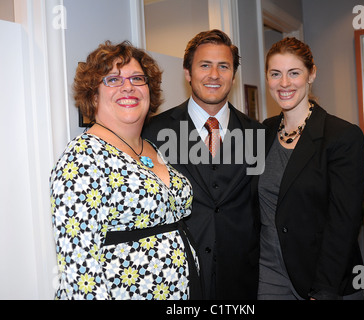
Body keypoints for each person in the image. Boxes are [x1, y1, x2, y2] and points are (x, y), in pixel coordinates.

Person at [50, 40, 201, 300]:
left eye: (137, 78)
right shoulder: (82, 157)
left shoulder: (151, 147)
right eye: (113, 80)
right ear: (93, 95)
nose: (128, 86)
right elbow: (79, 271)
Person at [143, 29, 265, 299]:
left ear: (233, 75)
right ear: (188, 72)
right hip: (178, 278)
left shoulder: (257, 134)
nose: (214, 75)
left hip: (241, 280)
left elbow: (259, 209)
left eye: (224, 66)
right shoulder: (153, 132)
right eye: (204, 65)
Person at [258, 37, 364, 300]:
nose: (284, 83)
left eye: (294, 73)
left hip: (322, 277)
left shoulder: (341, 135)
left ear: (311, 74)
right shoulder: (263, 132)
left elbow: (344, 222)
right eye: (275, 74)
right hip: (268, 275)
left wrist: (323, 291)